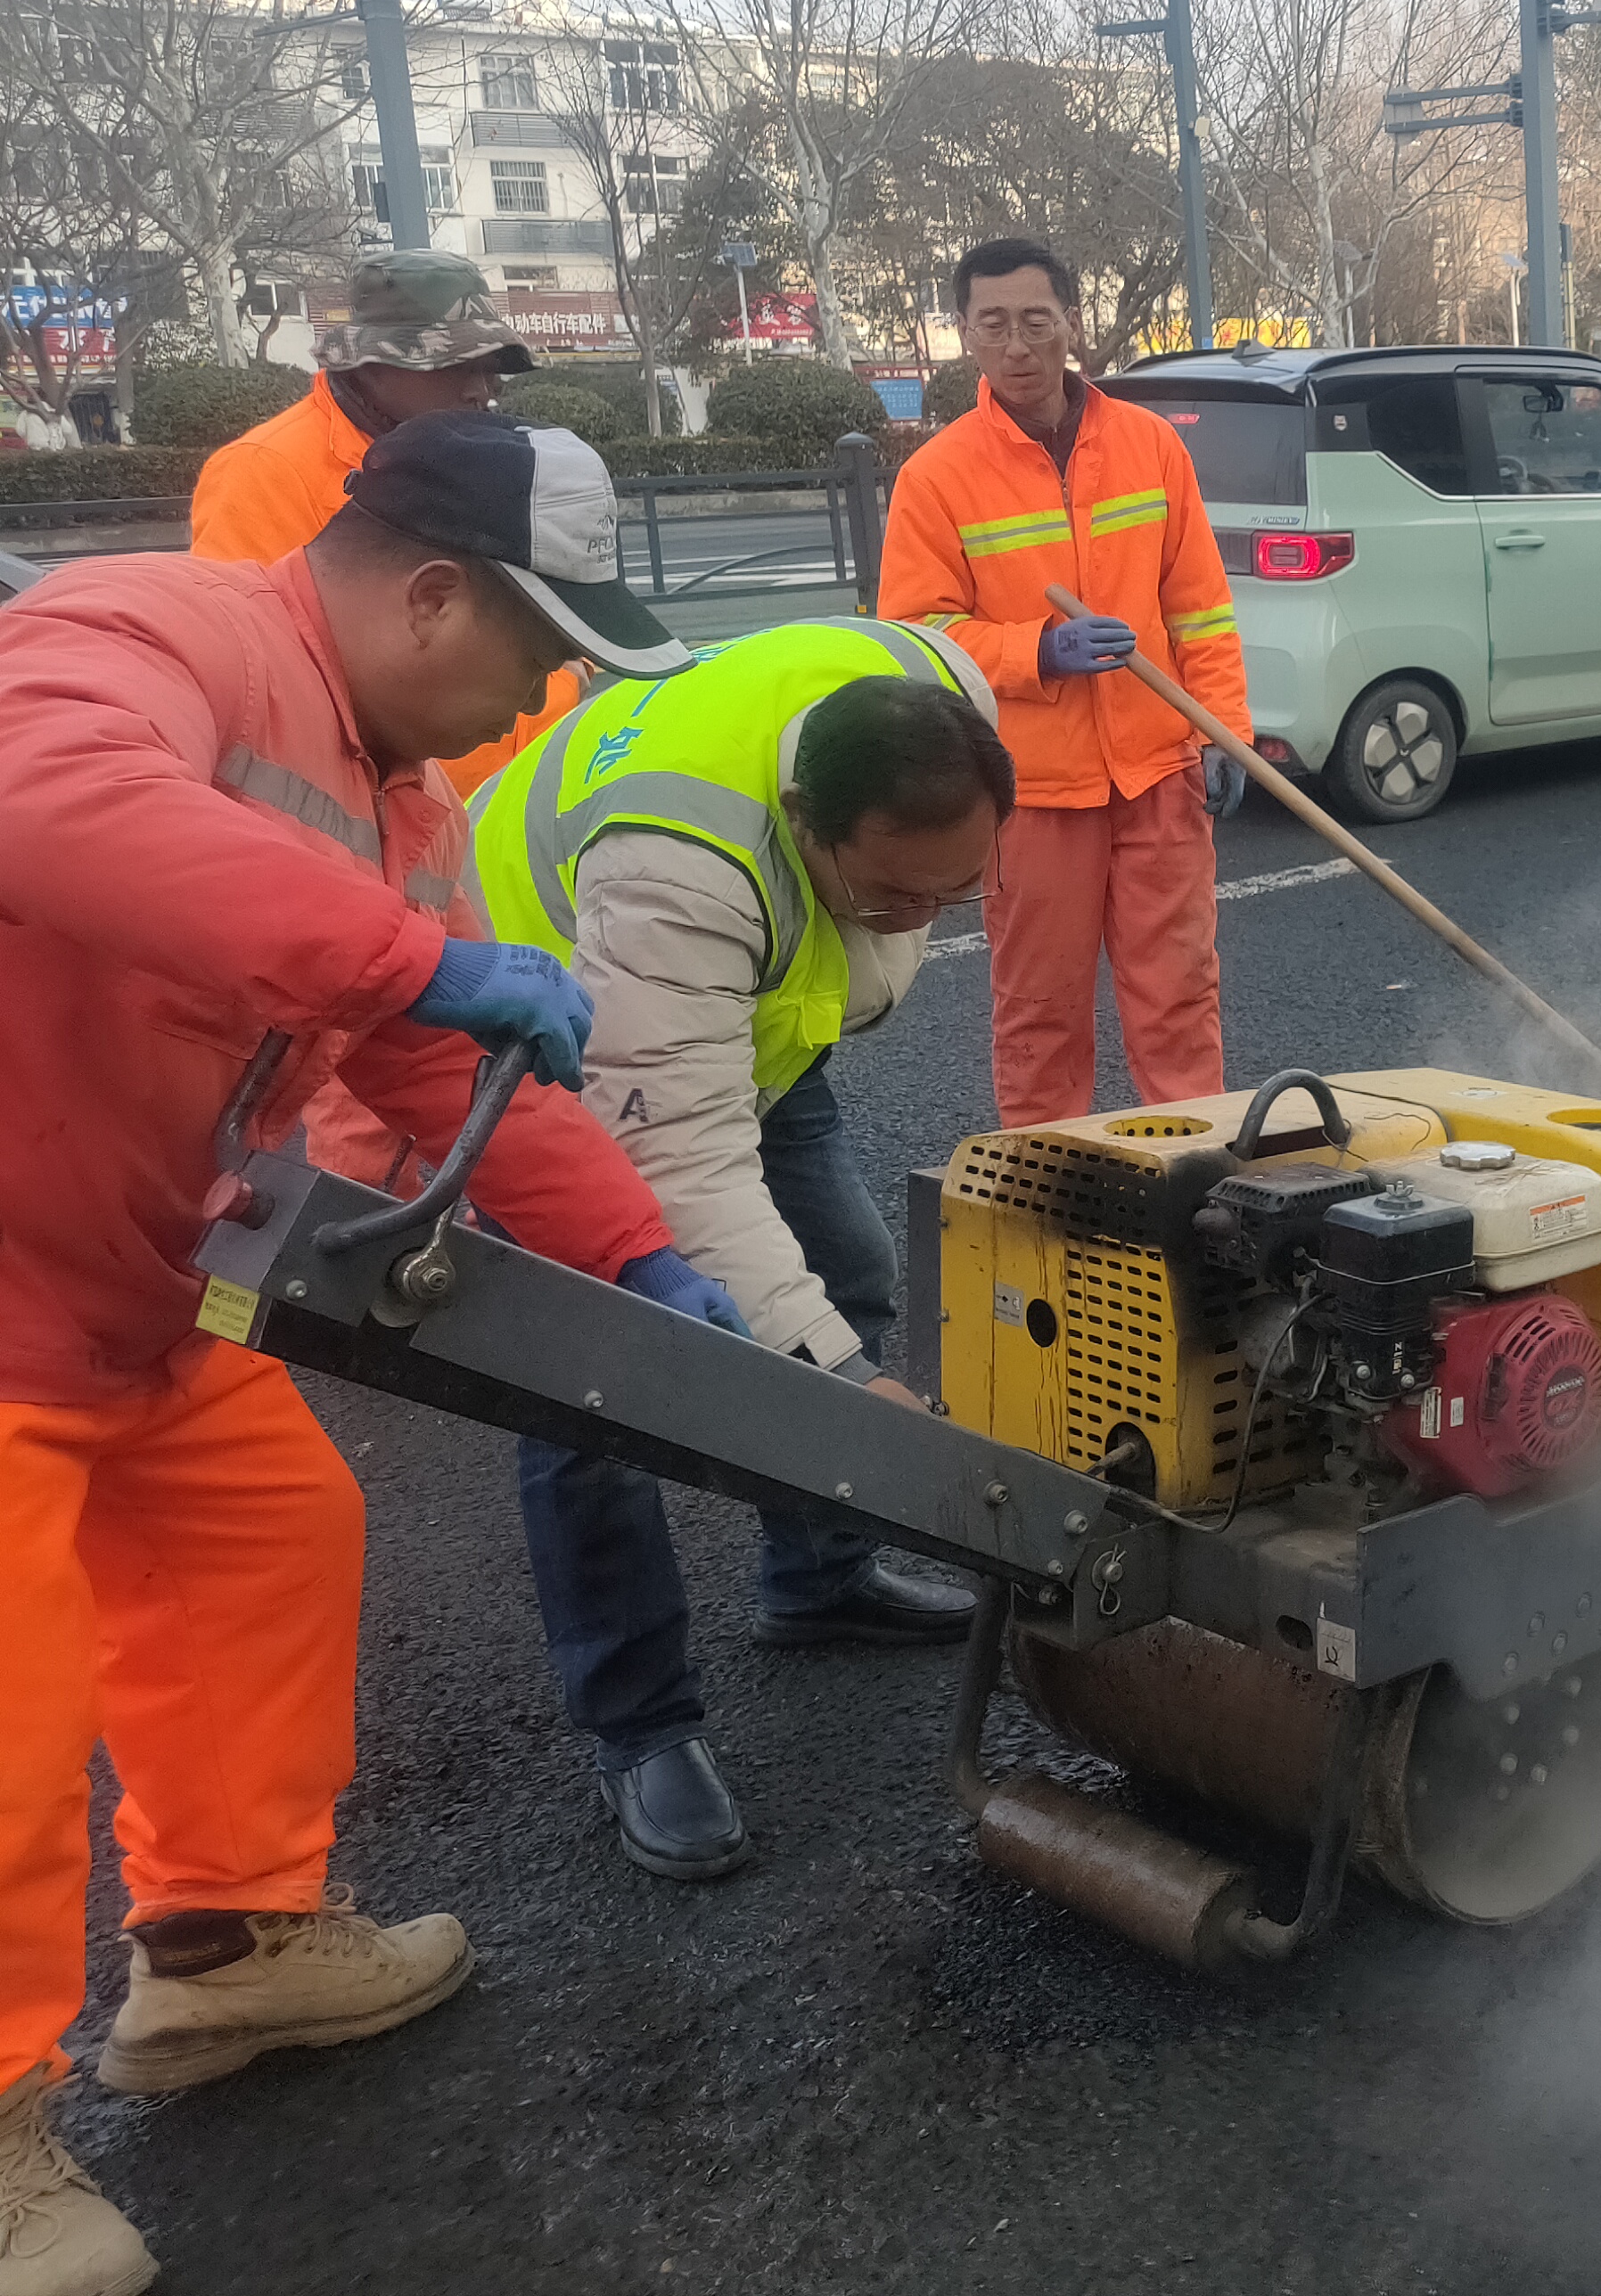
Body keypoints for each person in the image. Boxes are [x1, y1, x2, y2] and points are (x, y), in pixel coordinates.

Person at [0, 410, 736, 2296]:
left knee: (273, 1545)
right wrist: (410, 968)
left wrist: (642, 1259)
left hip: (142, 1281)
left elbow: (443, 1064)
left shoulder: (407, 806)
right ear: (431, 594)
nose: (539, 698)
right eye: (539, 651)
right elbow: (41, 799)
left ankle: (226, 1956)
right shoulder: (149, 632)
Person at [466, 619, 1011, 1877]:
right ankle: (640, 1727)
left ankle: (819, 1575)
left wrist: (831, 1351)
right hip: (545, 1038)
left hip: (749, 1012)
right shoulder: (681, 866)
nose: (924, 920)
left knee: (849, 1264)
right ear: (804, 819)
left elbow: (867, 913)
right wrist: (838, 1381)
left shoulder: (937, 701)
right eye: (895, 892)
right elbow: (685, 1169)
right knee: (599, 1380)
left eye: (954, 893)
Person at [876, 235, 1254, 1126]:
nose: (1017, 345)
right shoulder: (938, 476)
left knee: (1179, 1002)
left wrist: (1222, 730)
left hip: (1158, 771)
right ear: (964, 333)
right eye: (993, 324)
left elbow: (1199, 607)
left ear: (1072, 325)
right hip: (1031, 792)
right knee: (1039, 1019)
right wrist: (1035, 651)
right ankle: (1046, 1198)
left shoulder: (1150, 447)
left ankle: (1197, 1176)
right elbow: (913, 637)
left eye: (1035, 321)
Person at [189, 249, 580, 799]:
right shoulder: (264, 469)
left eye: (489, 367)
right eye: (453, 364)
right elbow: (250, 677)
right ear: (372, 364)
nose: (481, 388)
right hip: (381, 809)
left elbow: (569, 596)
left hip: (521, 786)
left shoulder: (479, 451)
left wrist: (562, 677)